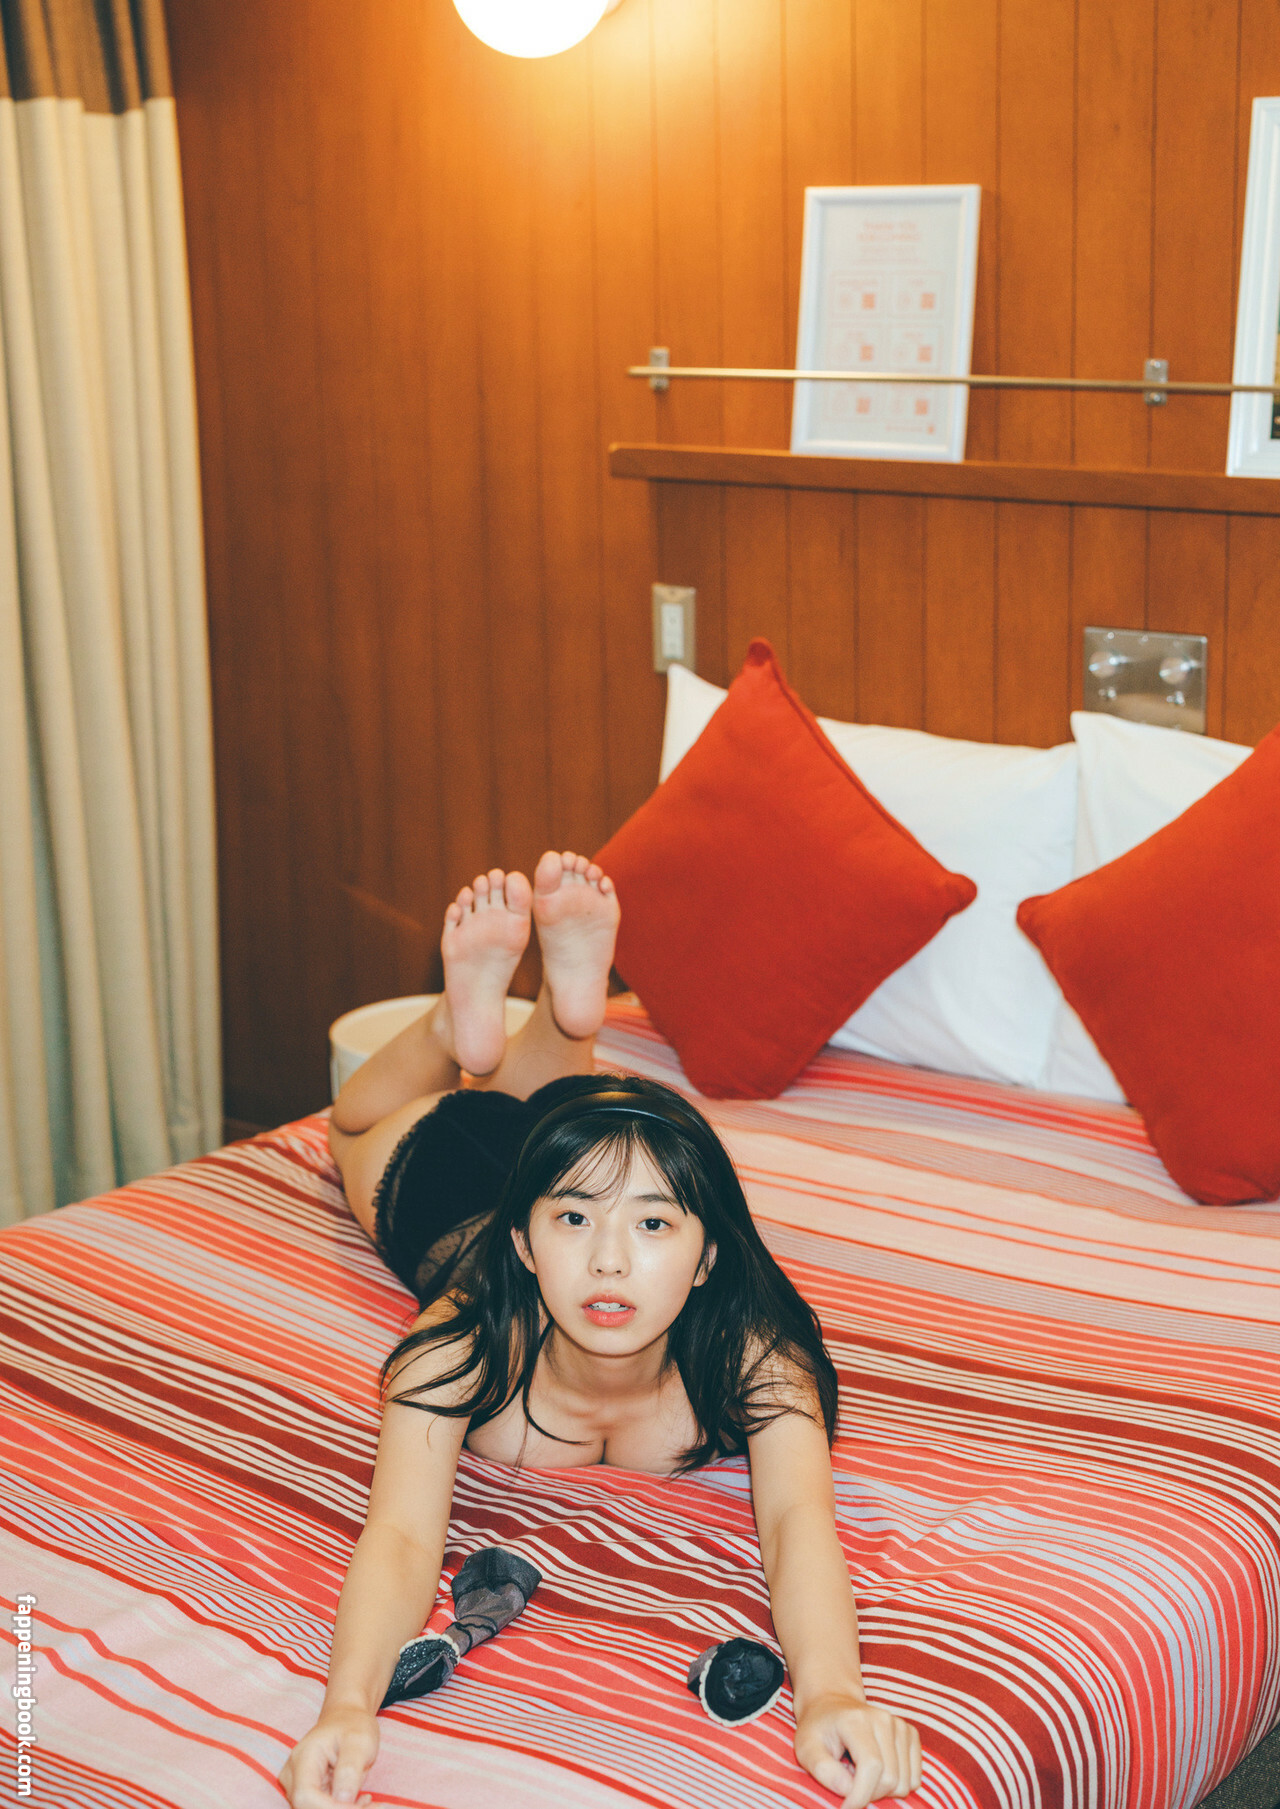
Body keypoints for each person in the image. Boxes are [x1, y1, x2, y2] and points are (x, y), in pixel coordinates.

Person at [280, 851, 923, 1809]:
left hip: (566, 1155)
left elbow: (798, 1524)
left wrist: (831, 1693)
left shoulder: (753, 1354)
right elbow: (404, 1536)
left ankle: (556, 1022)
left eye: (656, 1225)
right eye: (575, 1224)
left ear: (707, 1256)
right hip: (455, 1187)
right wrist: (346, 1705)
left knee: (570, 1141)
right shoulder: (460, 1342)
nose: (612, 1263)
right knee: (353, 1126)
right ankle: (468, 1026)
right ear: (526, 1244)